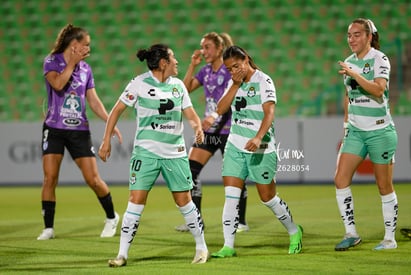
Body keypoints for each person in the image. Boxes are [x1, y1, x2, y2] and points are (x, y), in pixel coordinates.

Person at [99, 44, 209, 267]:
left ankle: (201, 247)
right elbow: (116, 110)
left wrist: (197, 128)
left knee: (184, 201)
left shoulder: (178, 86)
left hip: (174, 154)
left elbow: (192, 115)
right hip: (146, 153)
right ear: (163, 63)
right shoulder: (138, 83)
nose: (177, 61)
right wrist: (105, 139)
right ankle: (122, 254)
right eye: (173, 57)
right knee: (135, 201)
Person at [208, 45, 303, 258]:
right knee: (231, 197)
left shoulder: (264, 81)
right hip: (235, 146)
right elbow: (220, 109)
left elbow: (269, 113)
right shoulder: (234, 83)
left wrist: (259, 137)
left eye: (236, 66)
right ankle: (228, 246)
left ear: (246, 60)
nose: (233, 71)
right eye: (229, 69)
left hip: (261, 147)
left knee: (268, 197)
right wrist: (234, 84)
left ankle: (294, 231)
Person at [37, 24, 122, 240]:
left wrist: (109, 121)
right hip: (54, 128)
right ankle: (48, 228)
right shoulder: (52, 61)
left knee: (93, 179)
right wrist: (72, 63)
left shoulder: (86, 68)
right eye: (86, 45)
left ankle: (112, 217)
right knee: (49, 178)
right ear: (74, 45)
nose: (88, 49)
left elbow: (93, 100)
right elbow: (57, 84)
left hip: (79, 130)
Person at [335, 18, 399, 251]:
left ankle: (390, 239)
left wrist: (355, 74)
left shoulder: (379, 59)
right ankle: (351, 233)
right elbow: (348, 95)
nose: (351, 39)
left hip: (380, 130)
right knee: (340, 179)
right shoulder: (349, 62)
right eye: (349, 35)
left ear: (369, 36)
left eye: (356, 34)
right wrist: (345, 125)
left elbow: (378, 88)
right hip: (356, 131)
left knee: (384, 185)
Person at [175, 32, 249, 233]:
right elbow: (184, 89)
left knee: (235, 175)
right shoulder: (205, 71)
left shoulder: (229, 71)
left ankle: (240, 221)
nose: (203, 51)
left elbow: (230, 103)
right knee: (191, 170)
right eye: (202, 46)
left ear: (219, 49)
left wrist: (214, 120)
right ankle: (196, 221)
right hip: (210, 129)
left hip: (229, 129)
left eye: (207, 47)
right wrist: (192, 65)